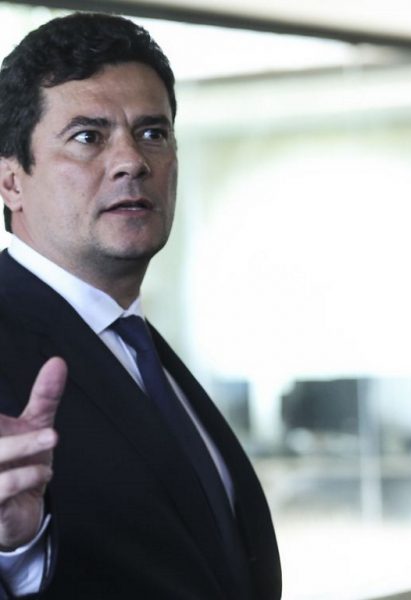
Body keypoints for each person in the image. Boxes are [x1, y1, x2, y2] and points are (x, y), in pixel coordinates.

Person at [0, 11, 281, 599]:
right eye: (88, 137)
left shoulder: (134, 341)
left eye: (153, 133)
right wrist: (14, 553)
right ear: (11, 180)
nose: (133, 161)